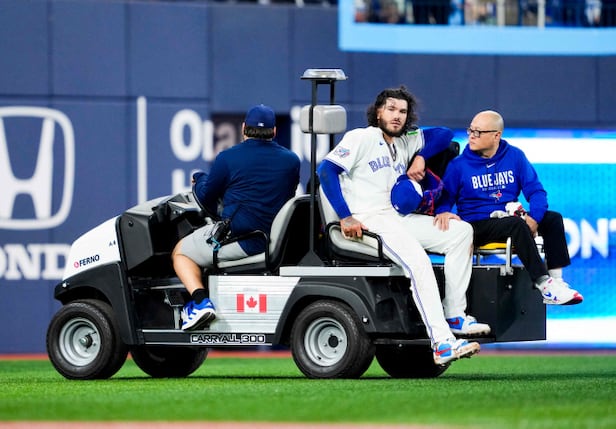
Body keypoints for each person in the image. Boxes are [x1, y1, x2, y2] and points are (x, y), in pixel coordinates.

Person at [317, 85, 489, 366]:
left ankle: (454, 314)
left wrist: (420, 156)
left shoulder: (406, 141)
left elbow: (444, 134)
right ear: (378, 112)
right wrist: (346, 216)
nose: (397, 115)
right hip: (369, 219)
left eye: (403, 111)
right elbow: (326, 170)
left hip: (398, 218)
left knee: (460, 233)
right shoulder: (362, 137)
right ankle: (442, 343)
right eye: (391, 109)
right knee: (418, 263)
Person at [172, 104, 301, 331]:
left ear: (243, 128)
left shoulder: (227, 158)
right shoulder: (292, 161)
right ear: (273, 131)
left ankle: (200, 303)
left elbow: (206, 196)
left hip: (243, 240)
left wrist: (199, 178)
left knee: (180, 252)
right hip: (277, 241)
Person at [435, 110, 583, 306]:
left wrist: (535, 217)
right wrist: (443, 211)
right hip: (476, 224)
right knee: (514, 224)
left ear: (496, 135)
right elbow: (444, 198)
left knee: (553, 219)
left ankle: (556, 282)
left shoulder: (514, 156)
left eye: (478, 132)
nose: (471, 136)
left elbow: (536, 191)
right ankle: (543, 283)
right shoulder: (458, 165)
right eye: (470, 130)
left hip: (508, 218)